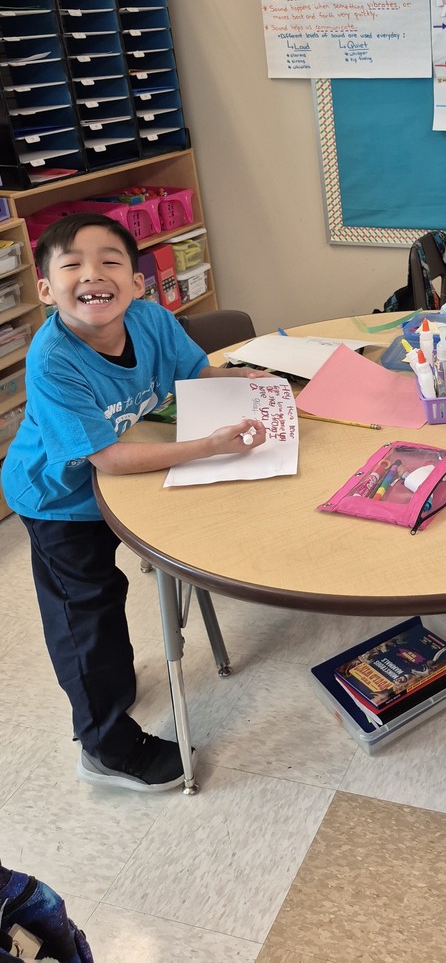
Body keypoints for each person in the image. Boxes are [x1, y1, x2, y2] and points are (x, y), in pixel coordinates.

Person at [1, 213, 270, 793]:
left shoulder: (151, 319)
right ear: (45, 289)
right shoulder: (52, 357)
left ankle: (113, 687)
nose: (92, 274)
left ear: (137, 281)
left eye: (110, 261)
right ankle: (104, 748)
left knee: (109, 602)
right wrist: (207, 446)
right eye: (73, 264)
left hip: (125, 486)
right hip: (58, 499)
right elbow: (108, 458)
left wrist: (238, 380)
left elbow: (193, 371)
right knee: (86, 617)